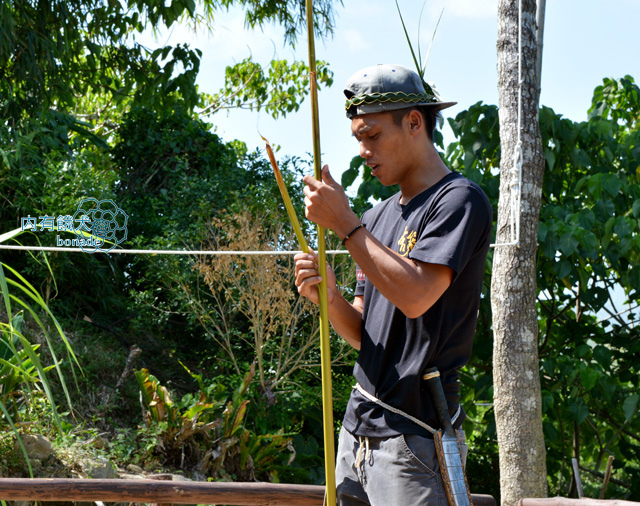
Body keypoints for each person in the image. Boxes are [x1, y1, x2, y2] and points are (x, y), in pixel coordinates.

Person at [294, 63, 492, 505]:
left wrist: (344, 224)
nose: (364, 150)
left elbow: (417, 296)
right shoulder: (376, 219)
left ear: (415, 122)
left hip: (416, 440)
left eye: (373, 135)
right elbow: (366, 335)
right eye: (358, 139)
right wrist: (327, 296)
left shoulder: (459, 201)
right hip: (356, 436)